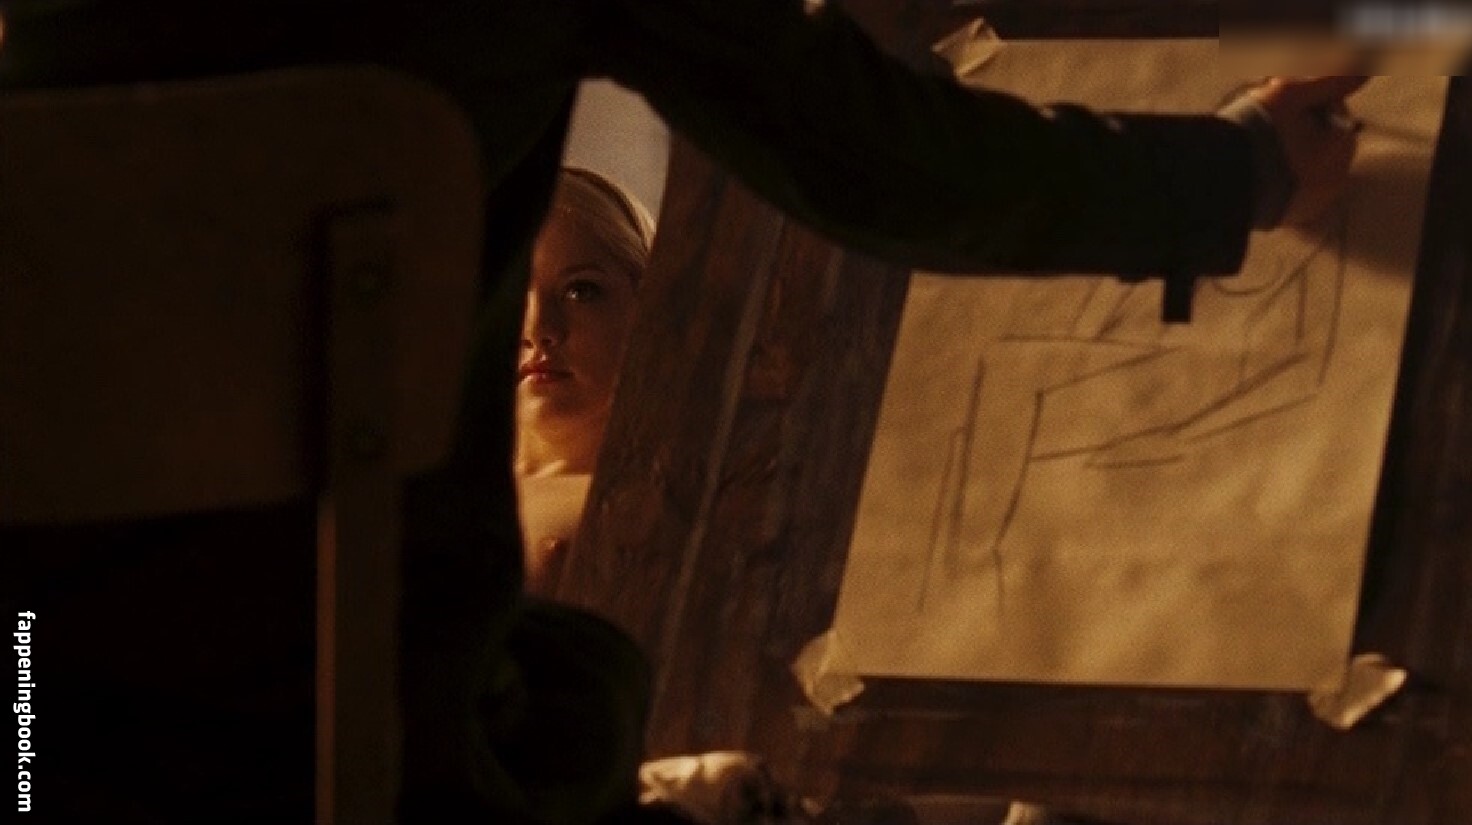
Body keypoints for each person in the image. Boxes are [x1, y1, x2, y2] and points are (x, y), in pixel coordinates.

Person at [0, 2, 1367, 822]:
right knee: (587, 697)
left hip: (37, 730)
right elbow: (882, 158)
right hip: (394, 758)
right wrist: (1235, 168)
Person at [516, 167, 654, 590]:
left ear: (645, 306)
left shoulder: (651, 510)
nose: (538, 328)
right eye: (511, 293)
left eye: (580, 291)